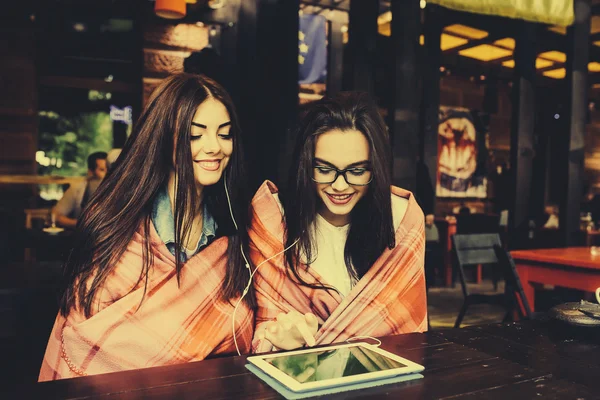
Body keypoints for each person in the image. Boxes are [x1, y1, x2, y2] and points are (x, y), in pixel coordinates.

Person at [39, 73, 254, 380]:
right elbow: (88, 339)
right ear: (164, 139)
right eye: (196, 135)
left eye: (225, 134)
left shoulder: (232, 233)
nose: (215, 147)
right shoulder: (118, 228)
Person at [248, 92, 427, 353]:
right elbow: (264, 329)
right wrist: (281, 339)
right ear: (304, 164)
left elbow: (409, 332)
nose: (340, 185)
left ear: (375, 169)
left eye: (356, 171)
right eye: (324, 169)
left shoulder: (402, 219)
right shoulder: (275, 220)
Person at [53, 151, 108, 228]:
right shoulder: (77, 188)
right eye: (102, 170)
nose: (107, 173)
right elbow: (56, 216)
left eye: (108, 169)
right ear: (90, 172)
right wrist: (81, 225)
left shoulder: (115, 188)